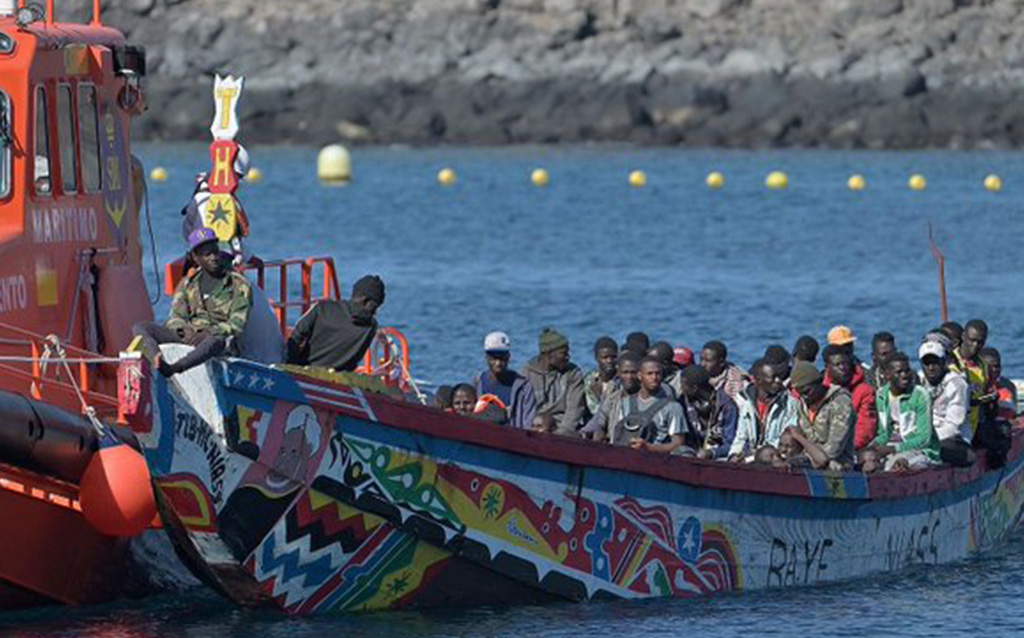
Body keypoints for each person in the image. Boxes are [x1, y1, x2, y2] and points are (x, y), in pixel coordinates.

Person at [133, 228, 253, 376]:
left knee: (216, 341)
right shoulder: (188, 283)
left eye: (215, 252)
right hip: (190, 335)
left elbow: (237, 323)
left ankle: (175, 368)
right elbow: (175, 316)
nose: (213, 257)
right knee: (141, 327)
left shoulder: (238, 284)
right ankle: (157, 360)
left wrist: (209, 332)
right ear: (196, 258)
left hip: (219, 340)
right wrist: (184, 331)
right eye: (206, 254)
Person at [286, 275, 386, 372]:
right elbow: (353, 362)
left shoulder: (323, 308)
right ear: (365, 301)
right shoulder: (371, 327)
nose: (375, 312)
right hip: (336, 381)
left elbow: (295, 337)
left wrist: (293, 368)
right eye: (375, 306)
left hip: (302, 372)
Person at [869, 352, 940, 471]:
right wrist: (873, 447)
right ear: (887, 375)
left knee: (899, 465)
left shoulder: (920, 395)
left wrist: (893, 449)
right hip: (893, 448)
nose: (904, 375)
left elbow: (924, 439)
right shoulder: (881, 395)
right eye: (899, 372)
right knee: (867, 461)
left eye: (907, 371)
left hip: (920, 451)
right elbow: (884, 433)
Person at [730, 358, 804, 460]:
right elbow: (740, 438)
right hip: (752, 457)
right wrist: (733, 455)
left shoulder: (790, 404)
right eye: (773, 377)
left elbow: (784, 440)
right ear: (759, 380)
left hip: (776, 457)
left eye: (779, 376)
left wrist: (752, 456)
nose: (778, 381)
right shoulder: (748, 403)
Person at [790, 360, 855, 469]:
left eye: (807, 392)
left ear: (819, 382)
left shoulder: (840, 402)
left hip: (838, 464)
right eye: (800, 393)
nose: (804, 397)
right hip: (809, 459)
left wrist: (808, 457)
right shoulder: (802, 405)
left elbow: (834, 447)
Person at [918, 340, 973, 467]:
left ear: (943, 362)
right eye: (927, 363)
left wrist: (924, 440)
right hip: (924, 437)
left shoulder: (957, 384)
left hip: (954, 440)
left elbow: (953, 427)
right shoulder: (918, 380)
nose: (931, 367)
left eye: (935, 362)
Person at [522, 328, 586, 435]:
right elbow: (523, 410)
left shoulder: (573, 373)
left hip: (562, 430)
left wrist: (560, 435)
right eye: (563, 353)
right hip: (535, 428)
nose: (567, 357)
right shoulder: (527, 374)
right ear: (548, 355)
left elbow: (574, 411)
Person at [475, 331, 537, 428]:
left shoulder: (524, 386)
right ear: (486, 357)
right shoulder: (478, 382)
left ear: (508, 357)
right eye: (493, 358)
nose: (498, 363)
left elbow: (528, 422)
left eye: (502, 358)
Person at [626, 356, 687, 454]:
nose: (654, 378)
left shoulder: (673, 407)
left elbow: (678, 443)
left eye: (658, 373)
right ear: (639, 375)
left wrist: (649, 448)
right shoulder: (625, 403)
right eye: (649, 374)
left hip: (656, 459)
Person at [822, 344, 877, 451]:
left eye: (845, 363)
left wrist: (836, 448)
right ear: (827, 367)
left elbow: (865, 430)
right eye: (837, 364)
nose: (842, 368)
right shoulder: (820, 390)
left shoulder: (864, 391)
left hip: (850, 449)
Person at [677, 365, 737, 459]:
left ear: (694, 388)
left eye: (683, 385)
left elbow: (732, 443)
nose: (681, 388)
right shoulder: (683, 403)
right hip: (692, 451)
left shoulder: (726, 406)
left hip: (720, 455)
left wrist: (712, 453)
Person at [582, 351, 642, 445]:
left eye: (633, 373)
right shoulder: (613, 399)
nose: (629, 377)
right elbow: (600, 421)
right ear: (618, 373)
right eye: (625, 372)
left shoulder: (645, 399)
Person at [950, 318, 994, 436]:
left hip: (972, 428)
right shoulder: (950, 360)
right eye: (972, 340)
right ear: (963, 336)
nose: (975, 346)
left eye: (980, 342)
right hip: (952, 428)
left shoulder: (982, 365)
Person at [584, 336, 619, 418]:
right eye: (605, 357)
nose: (609, 361)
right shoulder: (590, 380)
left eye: (613, 357)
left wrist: (601, 397)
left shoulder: (622, 378)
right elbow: (593, 410)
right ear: (596, 358)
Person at [979, 347, 1017, 422]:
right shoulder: (976, 388)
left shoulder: (1008, 385)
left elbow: (1014, 415)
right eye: (988, 367)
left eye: (996, 366)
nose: (994, 370)